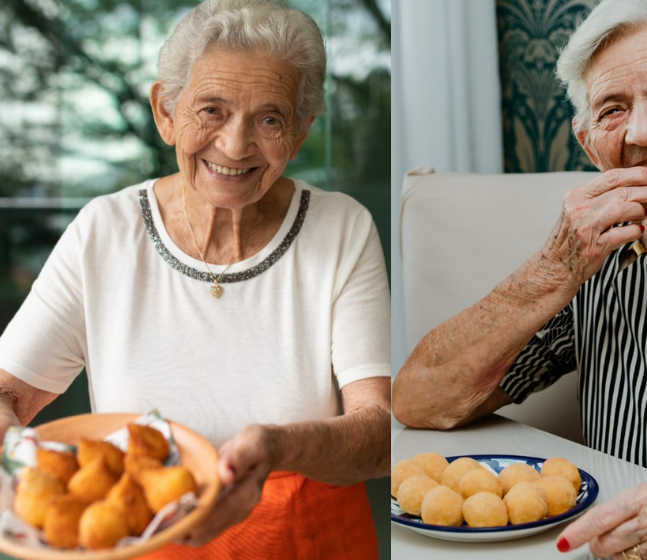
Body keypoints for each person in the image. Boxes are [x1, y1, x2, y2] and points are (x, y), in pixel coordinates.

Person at [393, 0, 647, 558]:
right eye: (612, 109)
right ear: (590, 146)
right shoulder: (596, 257)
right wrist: (551, 270)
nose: (642, 130)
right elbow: (419, 400)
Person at [0, 0, 390, 557]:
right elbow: (7, 391)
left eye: (270, 119)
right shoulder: (105, 232)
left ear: (302, 132)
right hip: (137, 540)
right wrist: (23, 463)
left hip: (303, 543)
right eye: (211, 110)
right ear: (165, 112)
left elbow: (379, 437)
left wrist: (277, 447)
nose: (234, 146)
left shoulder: (341, 228)